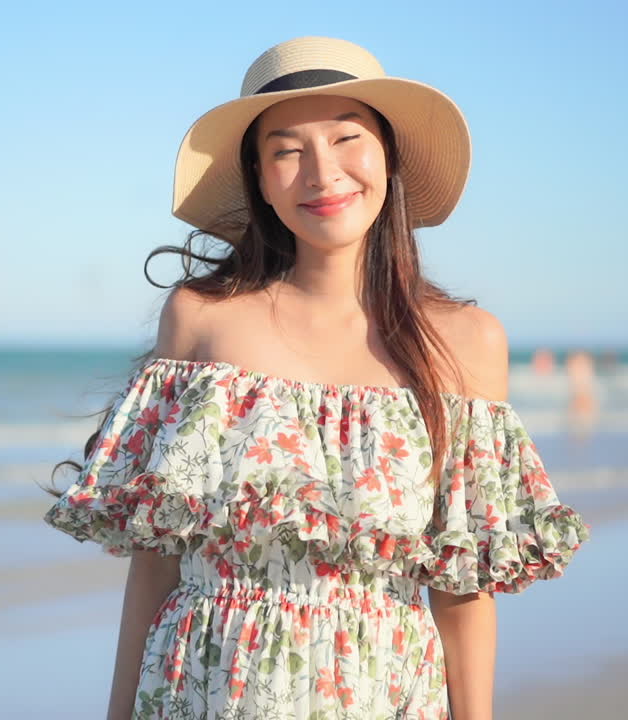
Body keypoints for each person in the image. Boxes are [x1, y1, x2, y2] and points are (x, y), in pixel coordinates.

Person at [42, 36, 591, 720]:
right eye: (286, 149)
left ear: (389, 156)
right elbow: (155, 562)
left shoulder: (466, 344)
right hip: (205, 690)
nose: (321, 172)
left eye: (346, 137)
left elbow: (461, 589)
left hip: (383, 693)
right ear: (260, 179)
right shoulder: (201, 323)